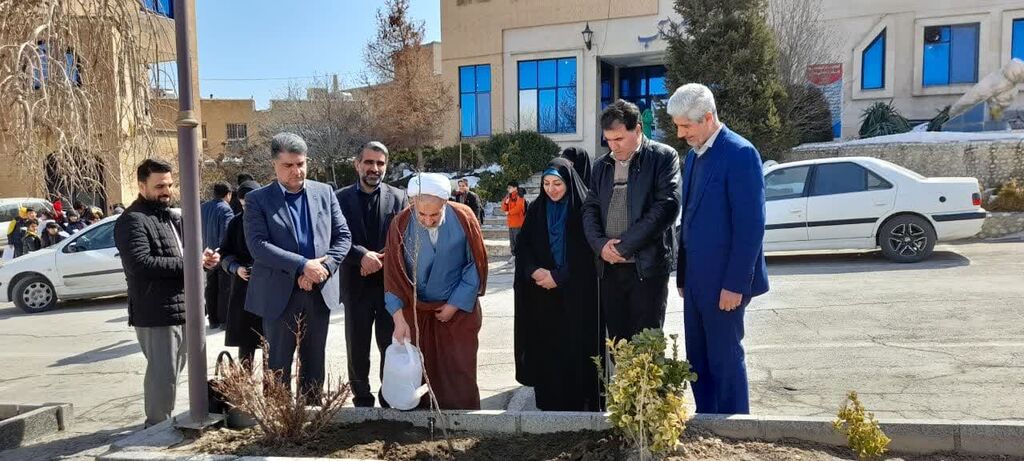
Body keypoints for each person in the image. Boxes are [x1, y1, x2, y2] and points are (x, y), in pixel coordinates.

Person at [669, 84, 769, 415]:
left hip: (726, 283)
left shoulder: (740, 154)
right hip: (696, 282)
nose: (681, 134)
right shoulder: (694, 157)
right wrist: (683, 275)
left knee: (724, 358)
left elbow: (751, 227)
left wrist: (735, 285)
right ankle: (708, 423)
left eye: (686, 126)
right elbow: (691, 220)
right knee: (698, 357)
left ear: (708, 117)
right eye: (678, 126)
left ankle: (735, 430)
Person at [114, 158, 221, 427]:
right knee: (164, 375)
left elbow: (185, 257)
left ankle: (161, 423)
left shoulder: (169, 216)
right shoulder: (133, 220)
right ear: (141, 185)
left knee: (174, 371)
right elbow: (141, 264)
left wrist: (202, 262)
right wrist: (192, 263)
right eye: (160, 185)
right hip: (156, 311)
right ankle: (156, 428)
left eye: (170, 185)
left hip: (182, 307)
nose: (167, 191)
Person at [244, 132, 351, 399]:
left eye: (301, 164)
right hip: (280, 294)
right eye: (288, 165)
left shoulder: (324, 192)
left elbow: (343, 237)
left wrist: (321, 270)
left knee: (314, 363)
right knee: (278, 364)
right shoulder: (259, 200)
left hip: (318, 293)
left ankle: (313, 423)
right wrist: (303, 266)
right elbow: (258, 245)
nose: (297, 171)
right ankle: (280, 427)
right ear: (274, 165)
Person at [384, 173, 488, 410]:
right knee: (421, 370)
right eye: (421, 214)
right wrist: (398, 319)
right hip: (417, 310)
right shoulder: (400, 224)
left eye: (434, 214)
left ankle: (462, 419)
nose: (428, 220)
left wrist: (455, 303)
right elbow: (393, 274)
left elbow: (475, 264)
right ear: (412, 204)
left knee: (458, 369)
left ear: (445, 203)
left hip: (458, 308)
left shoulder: (464, 216)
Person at [582, 99, 681, 342]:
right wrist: (600, 245)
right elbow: (590, 208)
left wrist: (623, 247)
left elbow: (667, 206)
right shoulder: (601, 166)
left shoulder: (662, 157)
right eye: (608, 140)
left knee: (646, 343)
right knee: (617, 341)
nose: (613, 146)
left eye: (619, 139)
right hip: (610, 268)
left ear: (637, 130)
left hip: (646, 269)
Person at [513, 158, 603, 411]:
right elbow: (524, 247)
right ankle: (550, 400)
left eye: (557, 183)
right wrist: (533, 271)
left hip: (576, 294)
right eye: (546, 183)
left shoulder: (583, 208)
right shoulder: (537, 210)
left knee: (576, 347)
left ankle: (580, 401)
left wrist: (560, 276)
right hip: (543, 296)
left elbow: (589, 252)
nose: (551, 189)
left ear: (569, 183)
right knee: (548, 348)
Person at [336, 141, 408, 408]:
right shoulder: (339, 199)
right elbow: (335, 239)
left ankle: (388, 396)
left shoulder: (398, 198)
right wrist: (360, 256)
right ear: (357, 164)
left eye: (380, 163)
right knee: (357, 348)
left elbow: (405, 238)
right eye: (368, 162)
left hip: (389, 287)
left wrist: (382, 259)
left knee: (389, 346)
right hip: (355, 286)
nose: (374, 168)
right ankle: (362, 399)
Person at [218, 180, 264, 368]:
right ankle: (245, 392)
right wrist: (236, 267)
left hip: (270, 289)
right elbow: (225, 253)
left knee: (273, 346)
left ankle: (273, 395)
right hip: (243, 289)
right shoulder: (236, 222)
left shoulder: (272, 218)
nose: (248, 209)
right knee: (246, 345)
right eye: (244, 205)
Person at [201, 182, 235, 328]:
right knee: (224, 288)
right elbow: (226, 235)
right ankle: (223, 320)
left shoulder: (203, 207)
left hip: (206, 253)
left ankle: (213, 319)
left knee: (211, 287)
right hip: (220, 254)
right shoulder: (226, 210)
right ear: (228, 194)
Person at [501, 181, 526, 257]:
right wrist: (506, 203)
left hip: (518, 222)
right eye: (508, 187)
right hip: (511, 223)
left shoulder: (520, 195)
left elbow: (519, 207)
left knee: (518, 241)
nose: (508, 189)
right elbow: (503, 208)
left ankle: (520, 256)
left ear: (515, 188)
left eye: (509, 187)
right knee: (512, 241)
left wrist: (509, 212)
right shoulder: (508, 196)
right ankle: (514, 256)